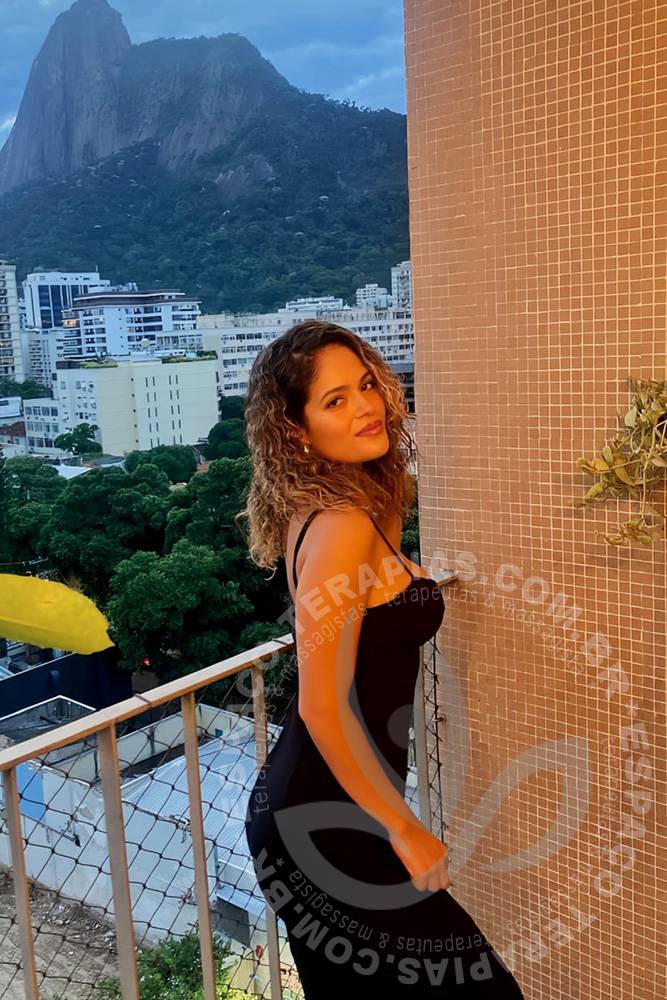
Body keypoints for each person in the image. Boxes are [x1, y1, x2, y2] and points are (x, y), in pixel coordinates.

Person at [240, 319, 524, 997]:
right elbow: (321, 704)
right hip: (321, 819)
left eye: (366, 385)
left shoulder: (364, 500)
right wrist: (403, 827)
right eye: (334, 400)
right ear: (296, 431)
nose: (365, 407)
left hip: (338, 805)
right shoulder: (339, 524)